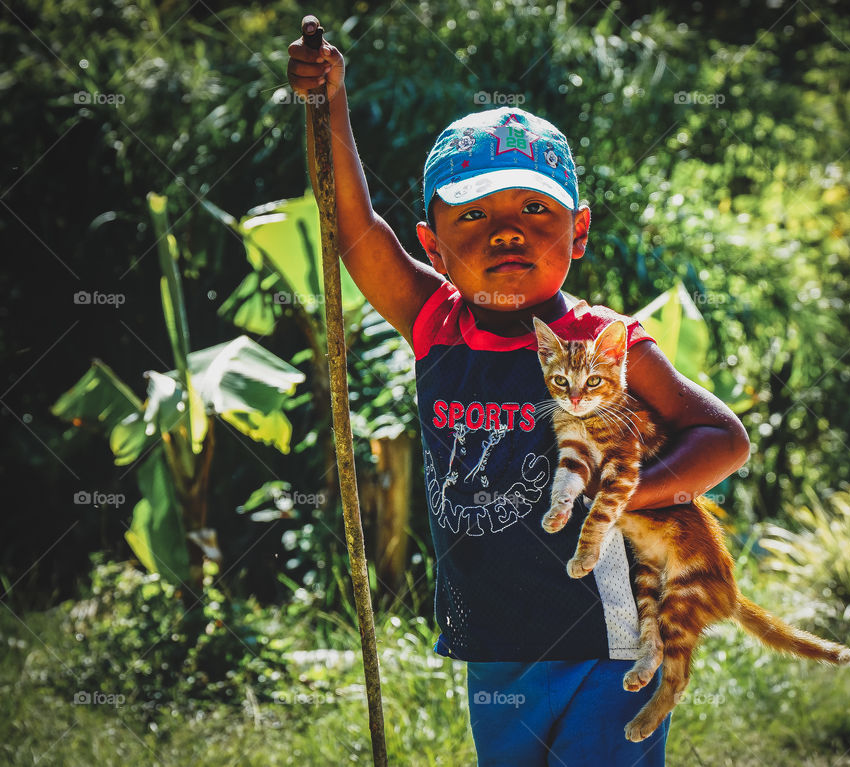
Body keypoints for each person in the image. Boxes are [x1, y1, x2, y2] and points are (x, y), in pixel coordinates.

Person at [288, 32, 750, 766]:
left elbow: (723, 436)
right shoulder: (435, 323)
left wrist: (637, 494)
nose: (507, 228)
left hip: (610, 639)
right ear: (433, 249)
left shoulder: (603, 342)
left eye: (536, 209)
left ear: (580, 230)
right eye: (472, 215)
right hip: (495, 646)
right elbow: (355, 232)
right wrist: (331, 102)